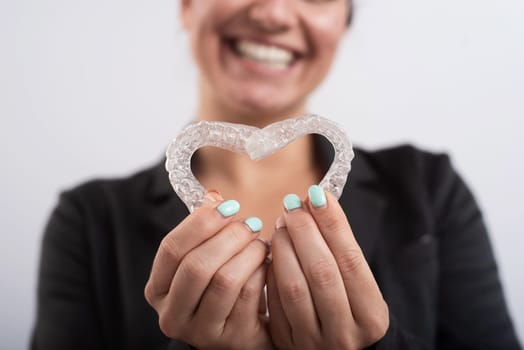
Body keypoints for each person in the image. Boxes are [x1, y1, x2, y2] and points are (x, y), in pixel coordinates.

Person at [32, 1, 522, 349]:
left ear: (343, 22)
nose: (273, 12)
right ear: (185, 6)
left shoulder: (429, 189)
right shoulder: (89, 220)